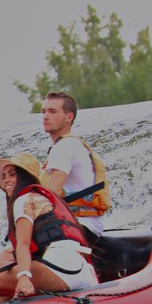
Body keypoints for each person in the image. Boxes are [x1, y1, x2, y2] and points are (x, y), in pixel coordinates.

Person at [0, 153, 98, 304]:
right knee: (3, 257)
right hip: (81, 271)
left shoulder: (24, 200)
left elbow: (24, 243)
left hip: (61, 270)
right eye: (4, 176)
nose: (6, 180)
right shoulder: (42, 198)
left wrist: (24, 277)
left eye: (12, 175)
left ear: (25, 177)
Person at [41, 91, 111, 244]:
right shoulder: (74, 144)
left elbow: (49, 197)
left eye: (52, 111)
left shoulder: (64, 146)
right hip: (89, 225)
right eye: (44, 111)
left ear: (69, 117)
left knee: (5, 257)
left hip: (79, 226)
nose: (45, 116)